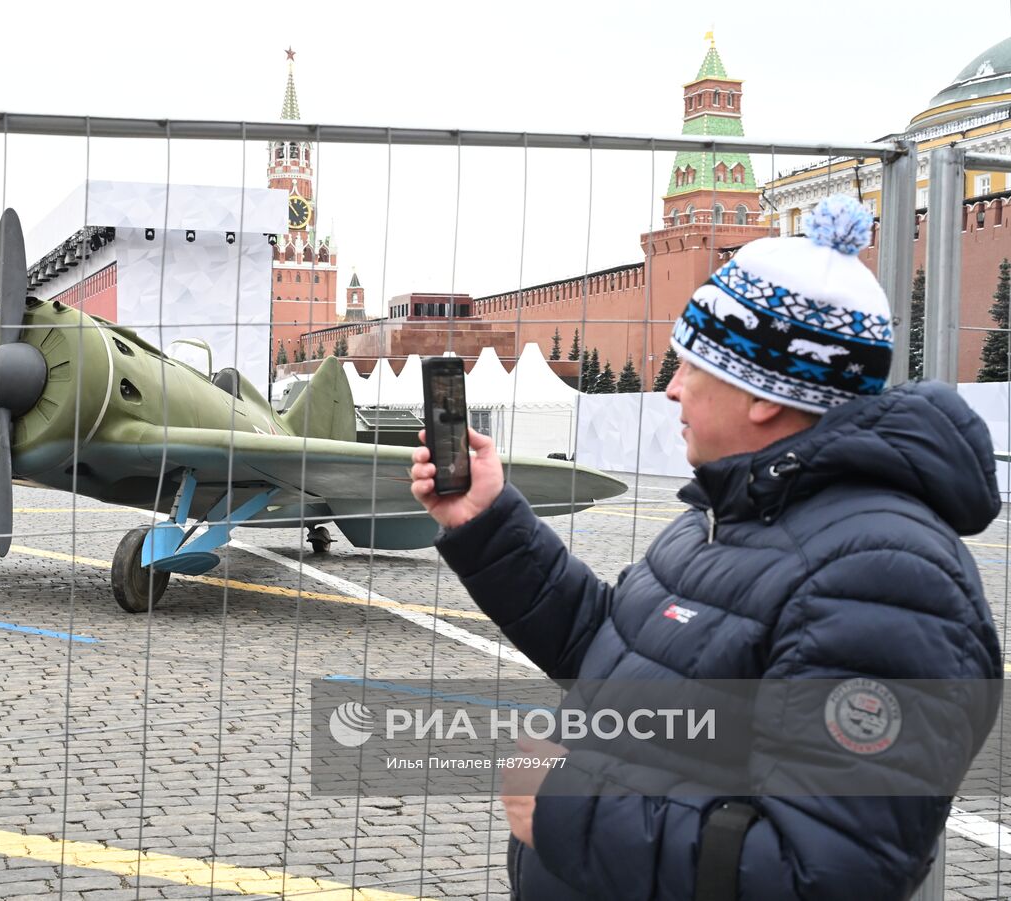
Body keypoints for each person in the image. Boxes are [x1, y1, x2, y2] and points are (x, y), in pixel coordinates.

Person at [410, 195, 1003, 900]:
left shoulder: (889, 579)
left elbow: (826, 873)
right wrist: (487, 519)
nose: (668, 390)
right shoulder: (728, 514)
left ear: (760, 392)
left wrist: (569, 812)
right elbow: (614, 645)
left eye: (689, 366)